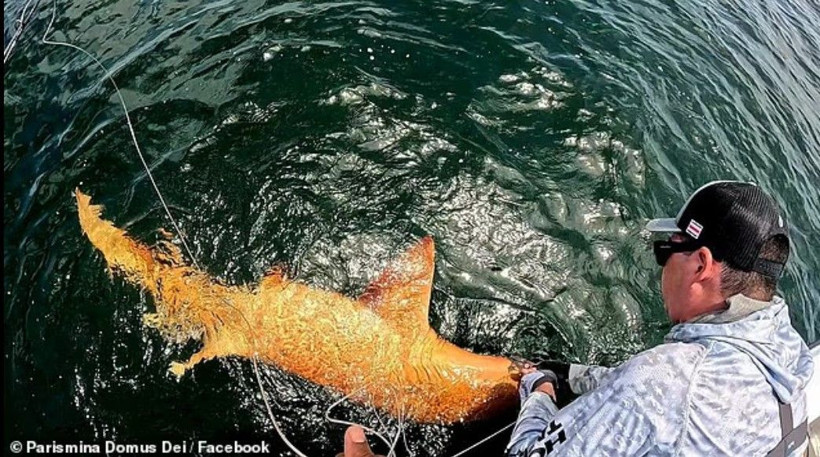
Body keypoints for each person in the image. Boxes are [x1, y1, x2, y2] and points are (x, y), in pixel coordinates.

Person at [337, 181, 815, 457]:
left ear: (701, 265)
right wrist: (568, 376)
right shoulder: (791, 358)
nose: (661, 263)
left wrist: (540, 395)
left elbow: (528, 455)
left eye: (664, 250)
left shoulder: (666, 382)